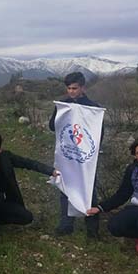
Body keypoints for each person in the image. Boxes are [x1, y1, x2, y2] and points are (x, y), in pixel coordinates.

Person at [48, 71, 101, 238]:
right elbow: (52, 126)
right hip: (67, 154)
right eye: (69, 88)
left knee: (89, 189)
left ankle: (92, 229)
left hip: (86, 157)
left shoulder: (93, 107)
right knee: (65, 187)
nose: (71, 91)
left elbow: (98, 132)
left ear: (83, 88)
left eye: (75, 88)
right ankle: (66, 224)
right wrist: (60, 113)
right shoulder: (63, 104)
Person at [0, 131, 58, 236]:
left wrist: (51, 171)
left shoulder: (6, 158)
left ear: (0, 150)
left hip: (5, 199)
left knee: (26, 217)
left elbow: (28, 163)